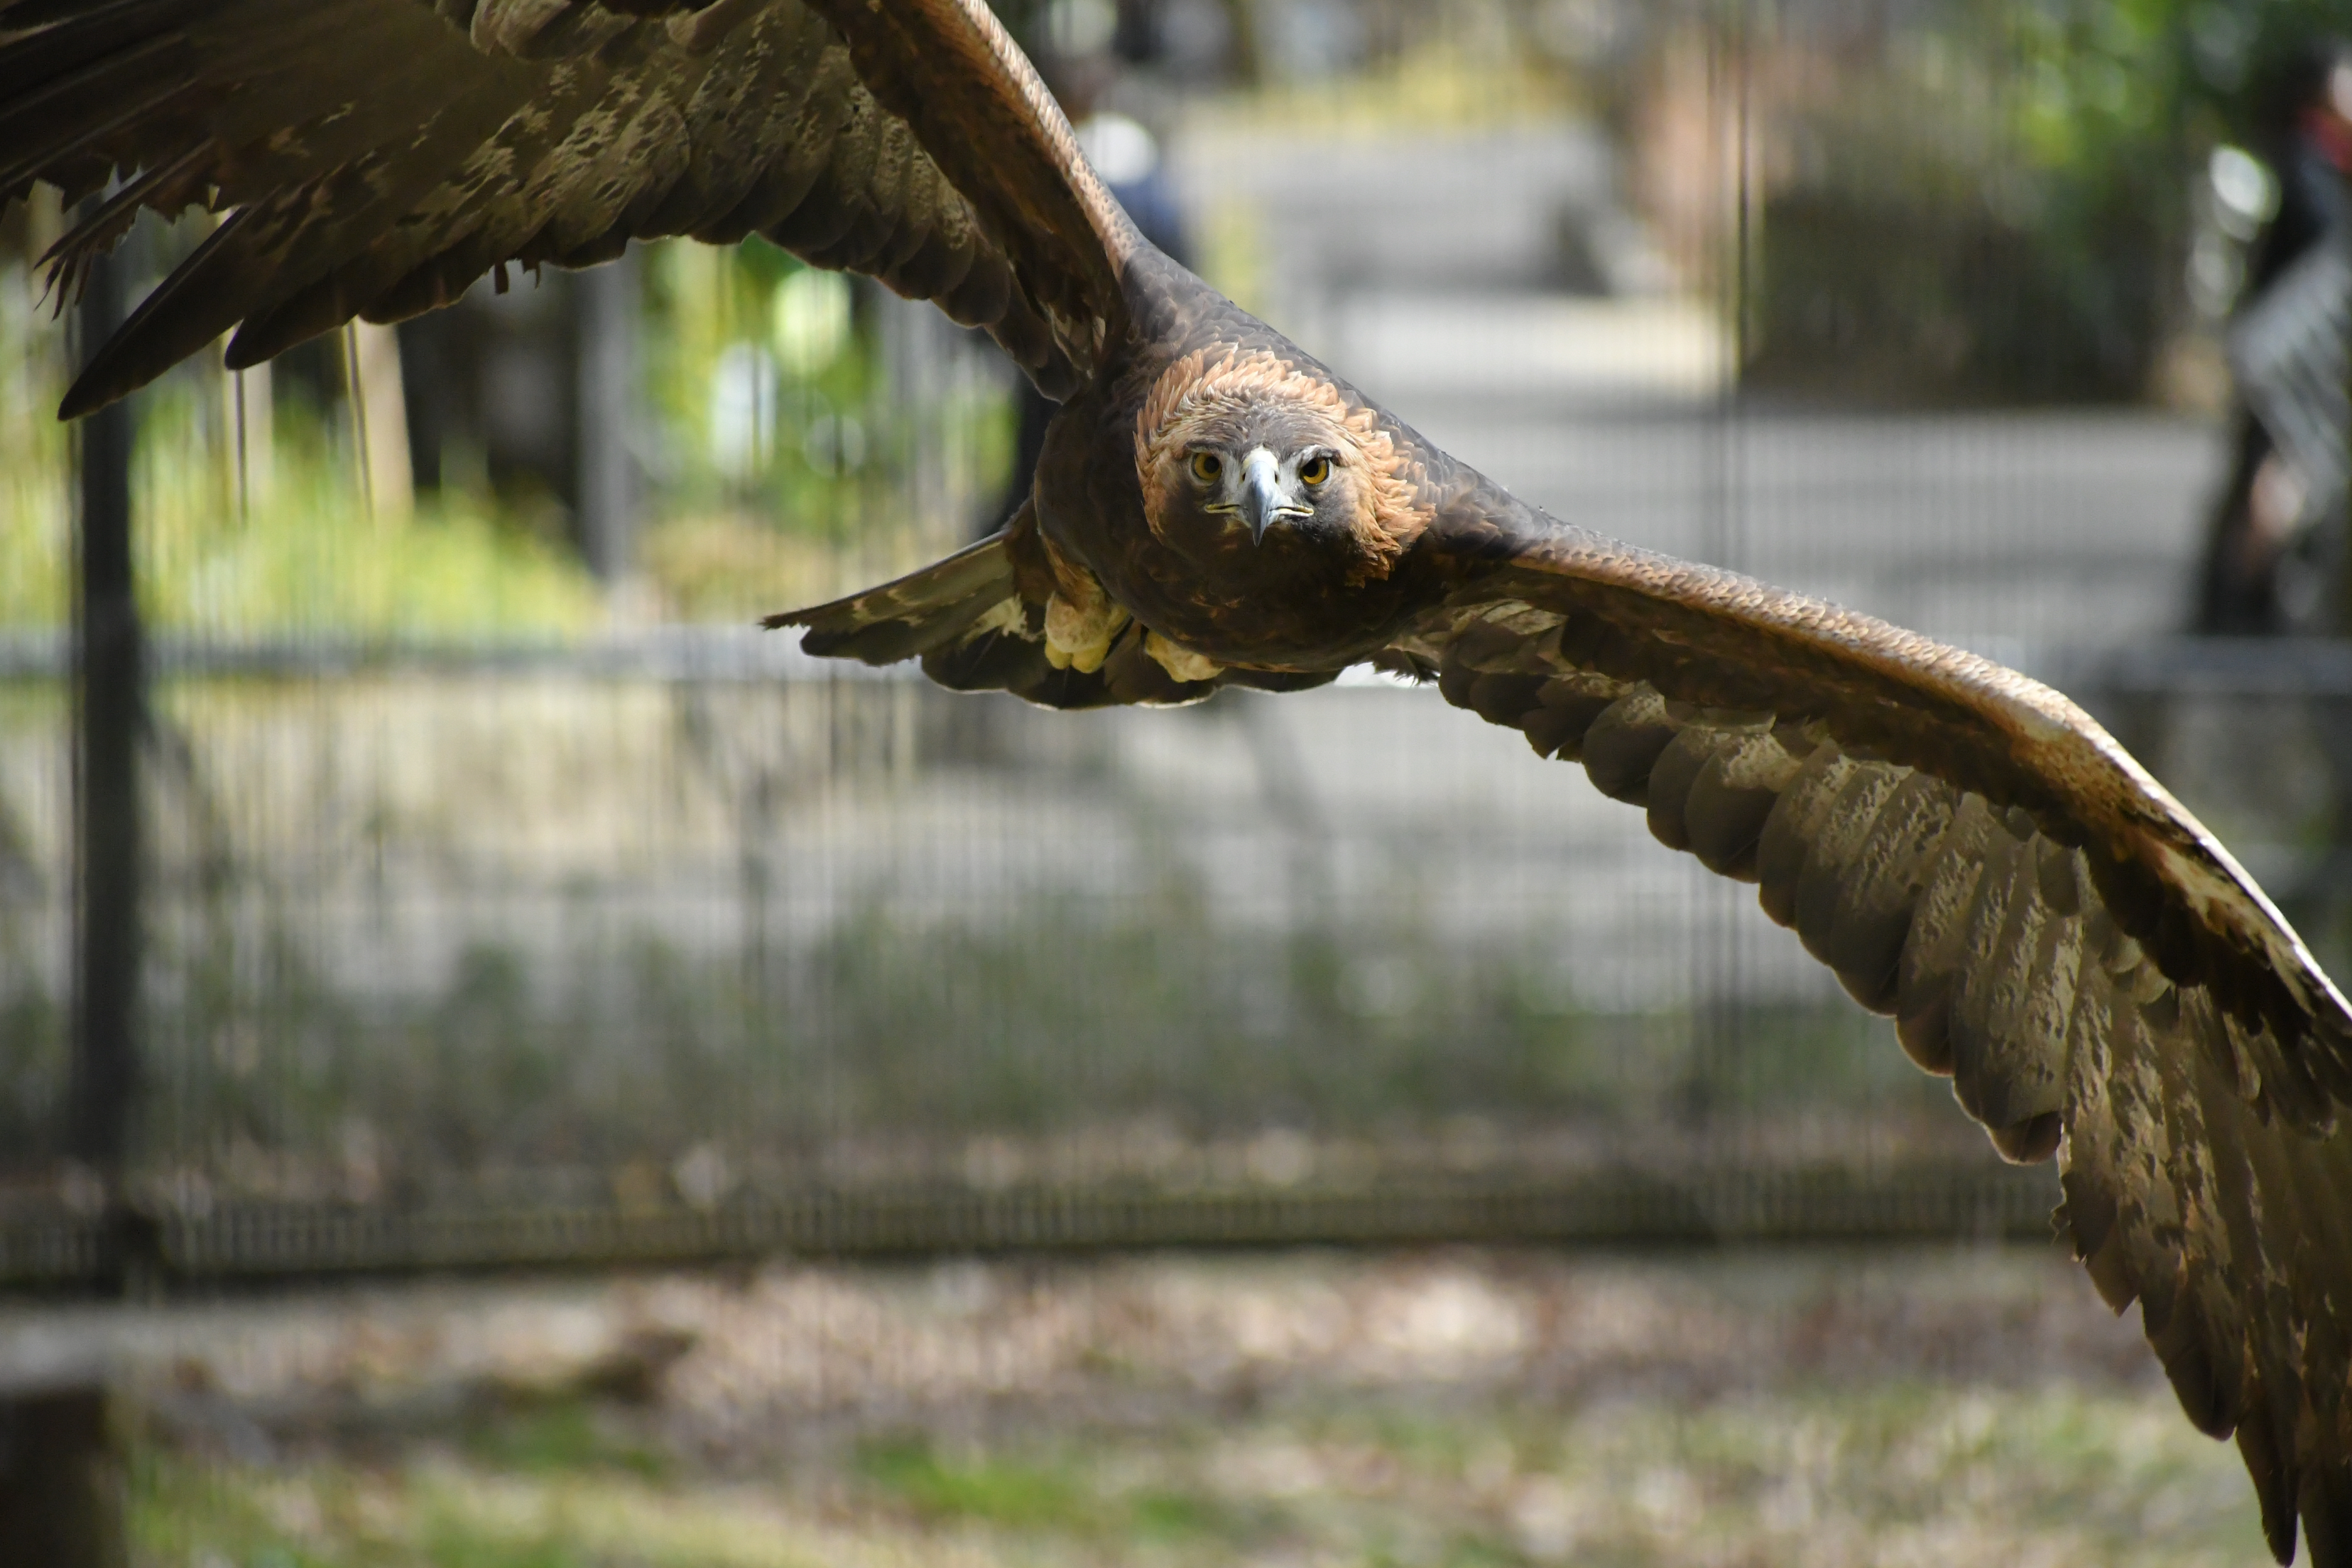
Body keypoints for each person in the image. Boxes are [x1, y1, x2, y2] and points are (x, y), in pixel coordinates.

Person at [2197, 41, 2352, 634]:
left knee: (2263, 477)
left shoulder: (2319, 160)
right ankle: (2242, 610)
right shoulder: (2306, 161)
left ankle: (2239, 606)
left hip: (2285, 362)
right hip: (2280, 363)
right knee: (2275, 477)